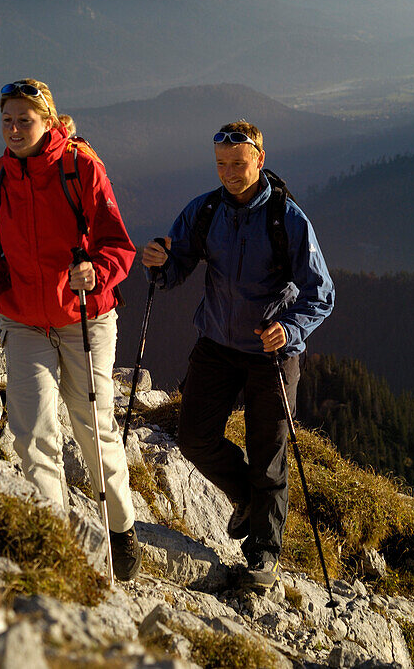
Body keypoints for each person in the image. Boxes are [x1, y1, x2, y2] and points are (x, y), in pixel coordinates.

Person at [0, 78, 141, 581]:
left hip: (85, 316)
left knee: (91, 425)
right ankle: (55, 545)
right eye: (7, 120)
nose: (15, 129)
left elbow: (117, 243)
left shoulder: (81, 169)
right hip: (23, 320)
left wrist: (97, 272)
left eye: (25, 119)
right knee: (33, 433)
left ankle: (121, 530)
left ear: (49, 121)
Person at [142, 119, 334, 589]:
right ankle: (247, 498)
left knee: (269, 454)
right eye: (222, 164)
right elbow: (179, 263)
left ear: (260, 160)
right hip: (216, 344)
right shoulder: (205, 210)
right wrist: (161, 263)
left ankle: (263, 555)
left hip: (272, 353)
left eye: (238, 164)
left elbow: (321, 292)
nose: (229, 173)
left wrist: (288, 330)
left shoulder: (288, 219)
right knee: (194, 437)